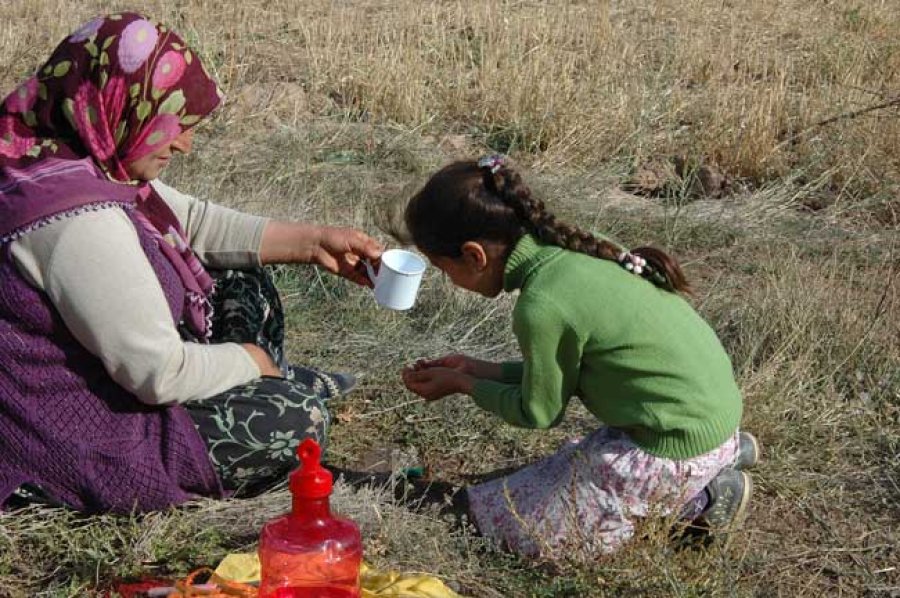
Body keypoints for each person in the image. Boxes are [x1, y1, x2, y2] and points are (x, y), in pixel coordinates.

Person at [0, 13, 382, 513]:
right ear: (117, 106)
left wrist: (314, 244)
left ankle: (265, 376)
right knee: (293, 421)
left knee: (245, 281)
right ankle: (275, 380)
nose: (184, 144)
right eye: (172, 127)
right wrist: (251, 360)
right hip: (73, 421)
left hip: (116, 360)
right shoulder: (73, 221)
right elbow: (157, 373)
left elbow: (192, 222)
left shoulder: (61, 156)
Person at [400, 155, 759, 557]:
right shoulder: (576, 249)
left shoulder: (543, 305)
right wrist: (475, 368)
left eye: (443, 268)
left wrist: (465, 385)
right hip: (707, 414)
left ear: (474, 255)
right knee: (567, 467)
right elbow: (564, 374)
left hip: (671, 445)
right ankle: (722, 454)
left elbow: (538, 411)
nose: (447, 280)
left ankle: (697, 500)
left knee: (505, 524)